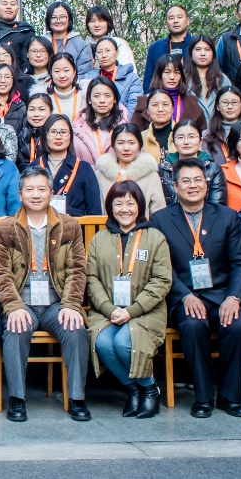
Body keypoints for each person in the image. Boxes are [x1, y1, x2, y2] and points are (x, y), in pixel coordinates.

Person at [151, 158, 241, 418]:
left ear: (207, 185)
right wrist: (184, 295)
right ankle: (204, 396)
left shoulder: (227, 216)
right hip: (184, 295)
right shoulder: (160, 220)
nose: (192, 185)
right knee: (193, 324)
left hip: (222, 294)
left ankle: (230, 396)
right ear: (175, 186)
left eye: (198, 180)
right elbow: (161, 267)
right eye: (186, 181)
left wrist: (234, 297)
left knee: (237, 325)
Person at [0, 166, 92, 422]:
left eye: (41, 189)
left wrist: (71, 304)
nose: (35, 195)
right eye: (29, 189)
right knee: (15, 328)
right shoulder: (5, 228)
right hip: (21, 301)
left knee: (75, 328)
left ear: (51, 192)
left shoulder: (69, 225)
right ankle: (17, 398)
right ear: (20, 194)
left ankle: (77, 398)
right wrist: (13, 306)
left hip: (56, 302)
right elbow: (1, 273)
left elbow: (77, 269)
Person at [85, 180, 172, 419]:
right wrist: (108, 308)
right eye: (118, 203)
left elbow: (162, 280)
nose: (125, 209)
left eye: (130, 203)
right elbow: (91, 278)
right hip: (108, 312)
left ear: (140, 206)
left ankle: (150, 388)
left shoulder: (155, 238)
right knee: (103, 342)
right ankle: (135, 388)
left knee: (124, 341)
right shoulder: (99, 239)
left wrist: (132, 311)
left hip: (145, 311)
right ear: (110, 207)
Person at [35, 115, 101, 216]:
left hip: (75, 224)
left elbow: (94, 211)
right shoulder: (34, 167)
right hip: (41, 222)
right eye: (53, 132)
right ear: (45, 136)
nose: (58, 137)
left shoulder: (84, 168)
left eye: (63, 132)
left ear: (70, 136)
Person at [94, 124, 166, 217]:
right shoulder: (100, 174)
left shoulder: (151, 175)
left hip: (141, 226)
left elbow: (160, 212)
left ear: (139, 145)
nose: (126, 148)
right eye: (121, 143)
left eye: (132, 143)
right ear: (113, 146)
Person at [159, 119, 228, 207]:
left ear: (200, 141)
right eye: (180, 137)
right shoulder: (162, 170)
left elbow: (217, 206)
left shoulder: (213, 169)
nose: (186, 142)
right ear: (173, 142)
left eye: (191, 136)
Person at [133, 54, 206, 133]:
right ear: (159, 74)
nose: (172, 77)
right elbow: (134, 135)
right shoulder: (144, 103)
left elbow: (202, 133)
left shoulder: (192, 102)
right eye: (167, 72)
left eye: (177, 72)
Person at [72, 77, 128, 164]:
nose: (102, 100)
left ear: (114, 99)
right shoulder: (78, 128)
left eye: (107, 96)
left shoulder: (125, 126)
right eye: (96, 96)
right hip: (86, 172)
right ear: (89, 100)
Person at [142, 4, 194, 91]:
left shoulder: (197, 45)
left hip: (192, 95)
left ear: (187, 21)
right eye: (171, 18)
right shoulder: (155, 48)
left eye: (179, 17)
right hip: (162, 96)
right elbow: (148, 82)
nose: (175, 21)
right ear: (166, 23)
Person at [185, 35, 231, 124]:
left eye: (207, 49)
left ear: (213, 53)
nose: (203, 53)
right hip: (190, 129)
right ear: (191, 52)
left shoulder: (223, 79)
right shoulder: (182, 79)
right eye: (198, 49)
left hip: (218, 129)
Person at [44, 1, 94, 80]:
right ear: (48, 20)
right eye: (53, 17)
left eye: (62, 17)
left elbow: (84, 74)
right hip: (44, 86)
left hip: (74, 86)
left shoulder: (80, 44)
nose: (58, 20)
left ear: (69, 19)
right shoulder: (41, 43)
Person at [94, 37, 142, 115]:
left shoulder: (132, 78)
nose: (104, 55)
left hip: (123, 120)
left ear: (117, 53)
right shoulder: (89, 78)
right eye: (99, 52)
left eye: (108, 50)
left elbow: (134, 104)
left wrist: (122, 121)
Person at [202, 86, 241, 166]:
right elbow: (207, 167)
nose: (230, 107)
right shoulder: (206, 135)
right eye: (225, 102)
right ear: (217, 107)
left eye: (234, 102)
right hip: (218, 173)